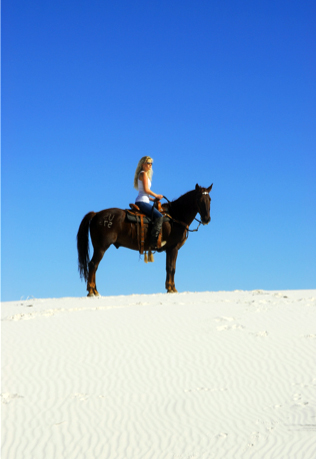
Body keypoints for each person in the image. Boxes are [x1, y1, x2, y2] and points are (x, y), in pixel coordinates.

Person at [134, 156, 164, 248]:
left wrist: (153, 199)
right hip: (142, 202)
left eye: (151, 163)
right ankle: (153, 241)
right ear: (143, 165)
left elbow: (145, 193)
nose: (150, 165)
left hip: (144, 200)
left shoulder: (145, 175)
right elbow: (146, 190)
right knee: (160, 216)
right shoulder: (143, 174)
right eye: (148, 163)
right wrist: (156, 195)